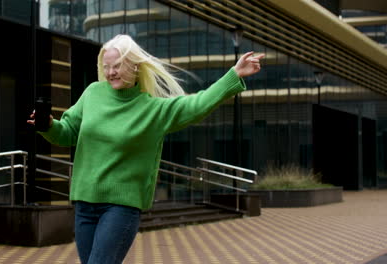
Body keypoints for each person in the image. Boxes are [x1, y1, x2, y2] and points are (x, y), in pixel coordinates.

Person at [27, 34, 264, 264]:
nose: (111, 72)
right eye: (107, 66)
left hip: (121, 207)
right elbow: (68, 132)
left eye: (117, 66)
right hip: (84, 204)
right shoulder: (92, 93)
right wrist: (48, 125)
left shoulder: (153, 110)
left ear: (135, 66)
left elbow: (197, 104)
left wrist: (233, 75)